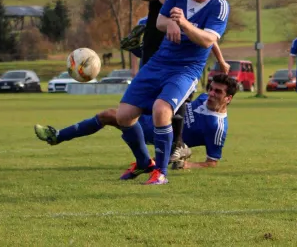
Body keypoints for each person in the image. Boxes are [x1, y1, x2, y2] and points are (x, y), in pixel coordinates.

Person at [115, 0, 230, 185]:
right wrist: (169, 24)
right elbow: (159, 21)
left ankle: (160, 173)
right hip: (160, 61)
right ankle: (143, 162)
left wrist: (184, 24)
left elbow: (208, 40)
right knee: (123, 116)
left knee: (161, 109)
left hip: (186, 68)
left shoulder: (220, 6)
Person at [33, 73, 237, 176]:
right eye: (211, 89)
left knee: (108, 115)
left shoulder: (217, 127)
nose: (211, 94)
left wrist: (187, 164)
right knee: (109, 114)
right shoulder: (202, 98)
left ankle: (57, 136)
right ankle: (148, 162)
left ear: (228, 99)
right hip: (154, 114)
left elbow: (213, 162)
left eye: (218, 92)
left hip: (156, 129)